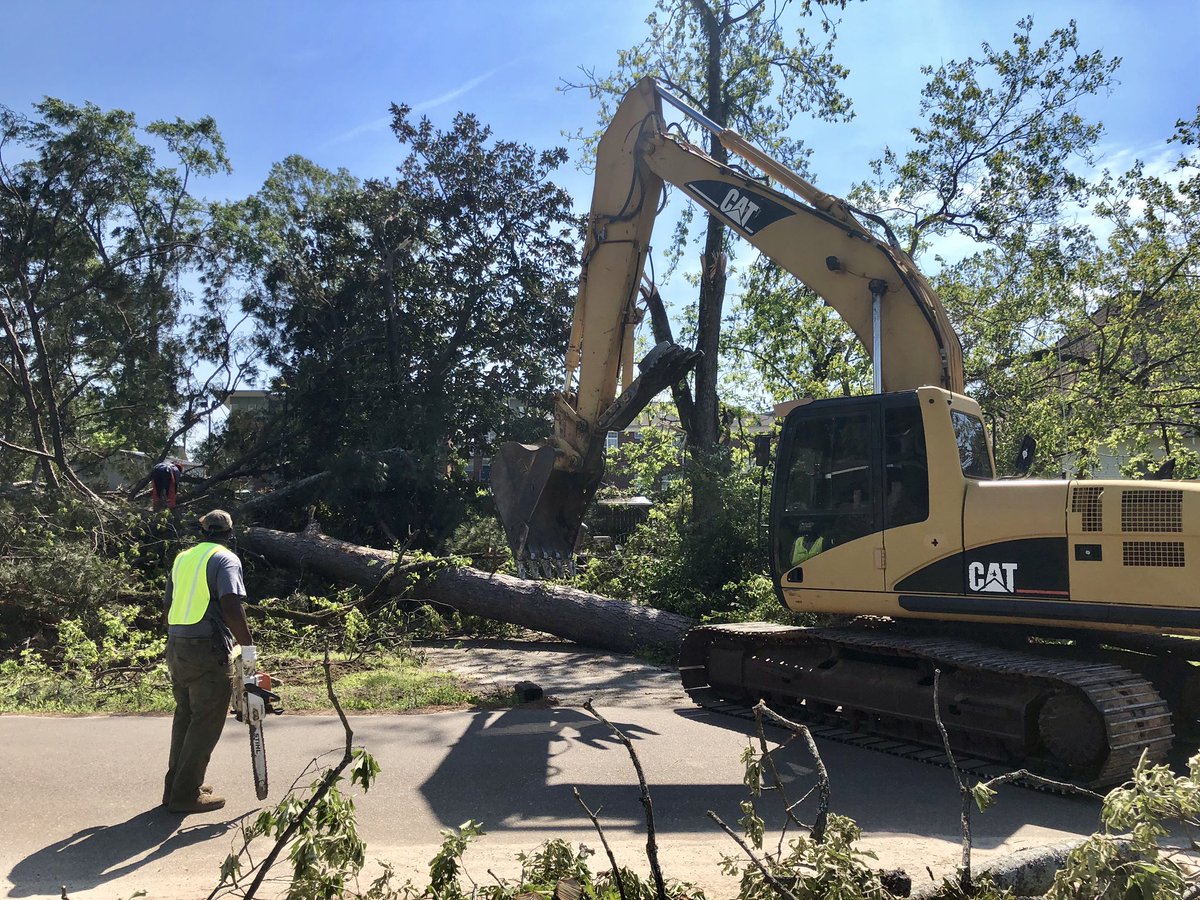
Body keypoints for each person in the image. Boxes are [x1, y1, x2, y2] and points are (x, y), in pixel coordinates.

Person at [162, 509, 257, 814]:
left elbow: (167, 606)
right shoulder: (225, 559)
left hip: (177, 645)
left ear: (202, 531)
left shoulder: (182, 559)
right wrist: (248, 647)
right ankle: (185, 794)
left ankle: (176, 787)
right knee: (205, 722)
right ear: (230, 533)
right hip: (207, 649)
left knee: (186, 717)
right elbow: (230, 603)